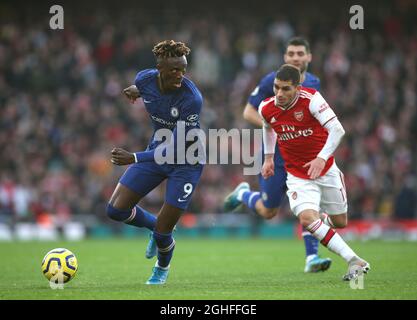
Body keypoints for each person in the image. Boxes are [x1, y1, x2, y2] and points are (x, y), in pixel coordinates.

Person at [224, 37, 331, 273]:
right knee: (268, 211)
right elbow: (248, 111)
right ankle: (244, 195)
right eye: (291, 53)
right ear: (285, 57)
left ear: (309, 57)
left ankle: (311, 257)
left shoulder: (315, 82)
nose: (295, 57)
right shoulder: (270, 81)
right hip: (277, 157)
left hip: (303, 156)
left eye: (300, 53)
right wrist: (274, 125)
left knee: (309, 204)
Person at [260, 64, 370, 281]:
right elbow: (267, 127)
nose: (279, 94)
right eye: (276, 88)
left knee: (340, 222)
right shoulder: (266, 107)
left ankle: (319, 223)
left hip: (327, 170)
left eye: (285, 89)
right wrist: (269, 158)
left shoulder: (312, 100)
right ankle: (354, 260)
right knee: (307, 219)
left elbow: (337, 129)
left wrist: (321, 158)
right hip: (298, 177)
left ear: (298, 88)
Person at [106, 40, 204, 285]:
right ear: (160, 68)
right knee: (115, 210)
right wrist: (134, 89)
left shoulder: (191, 98)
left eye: (183, 69)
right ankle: (154, 226)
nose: (180, 75)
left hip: (186, 162)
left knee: (163, 233)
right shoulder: (144, 78)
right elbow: (144, 86)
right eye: (174, 70)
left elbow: (177, 147)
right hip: (156, 153)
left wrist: (134, 157)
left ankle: (162, 268)